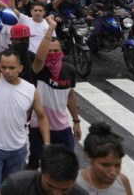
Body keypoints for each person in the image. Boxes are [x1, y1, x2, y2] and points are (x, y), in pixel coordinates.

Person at [0, 28, 50, 195]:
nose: (7, 71)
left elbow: (42, 117)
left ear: (20, 68)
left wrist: (47, 144)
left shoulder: (30, 90)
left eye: (11, 67)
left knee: (13, 191)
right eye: (3, 67)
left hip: (18, 150)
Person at [27, 17, 81, 170]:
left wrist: (76, 122)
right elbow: (39, 57)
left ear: (62, 52)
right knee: (34, 163)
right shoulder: (40, 69)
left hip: (62, 127)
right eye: (49, 51)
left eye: (56, 51)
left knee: (67, 166)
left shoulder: (69, 70)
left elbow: (69, 95)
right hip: (38, 126)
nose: (52, 54)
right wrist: (51, 29)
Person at [0, 145, 87, 195]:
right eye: (50, 186)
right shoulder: (15, 184)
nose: (56, 193)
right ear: (41, 168)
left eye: (64, 190)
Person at [76, 122, 133, 194]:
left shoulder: (123, 182)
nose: (113, 173)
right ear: (89, 157)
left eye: (117, 165)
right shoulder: (74, 184)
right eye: (105, 165)